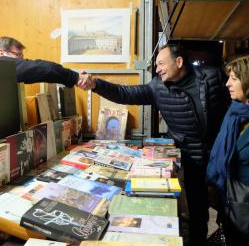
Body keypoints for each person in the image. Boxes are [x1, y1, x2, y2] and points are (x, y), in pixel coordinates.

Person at [79, 43, 229, 246]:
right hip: (190, 157)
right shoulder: (157, 87)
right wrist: (96, 84)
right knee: (197, 208)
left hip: (221, 152)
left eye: (161, 63)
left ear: (179, 62)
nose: (157, 69)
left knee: (229, 205)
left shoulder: (212, 77)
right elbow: (126, 93)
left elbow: (235, 103)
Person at [206, 55, 249, 246]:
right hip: (229, 199)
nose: (227, 84)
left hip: (246, 206)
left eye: (234, 78)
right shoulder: (235, 112)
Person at [0, 36, 90, 90]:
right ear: (1, 53)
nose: (21, 60)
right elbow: (41, 68)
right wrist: (75, 77)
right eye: (17, 55)